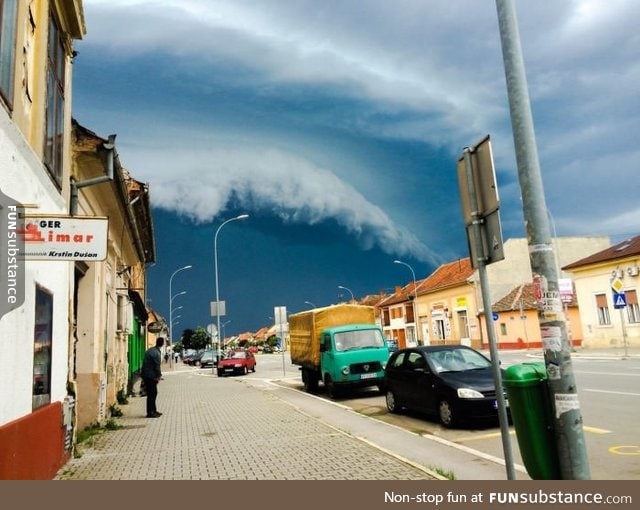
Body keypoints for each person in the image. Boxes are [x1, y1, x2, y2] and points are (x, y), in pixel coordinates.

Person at [141, 337, 164, 418]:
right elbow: (157, 366)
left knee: (152, 393)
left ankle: (153, 410)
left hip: (147, 375)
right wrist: (159, 376)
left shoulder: (151, 350)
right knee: (152, 394)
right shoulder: (156, 353)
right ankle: (150, 412)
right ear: (162, 343)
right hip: (151, 376)